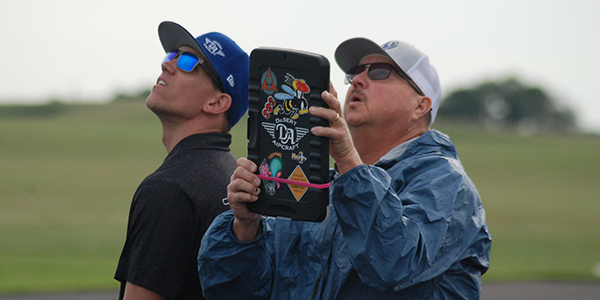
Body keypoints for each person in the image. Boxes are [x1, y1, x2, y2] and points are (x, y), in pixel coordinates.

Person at [198, 37, 492, 299]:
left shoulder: (446, 182)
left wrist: (349, 162)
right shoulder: (319, 186)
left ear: (421, 106)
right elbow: (236, 291)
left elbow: (394, 264)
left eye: (380, 72)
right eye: (355, 74)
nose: (358, 81)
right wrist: (246, 228)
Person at [115, 21, 249, 300]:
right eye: (171, 55)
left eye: (189, 62)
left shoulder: (170, 189)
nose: (168, 65)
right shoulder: (232, 177)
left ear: (216, 104)